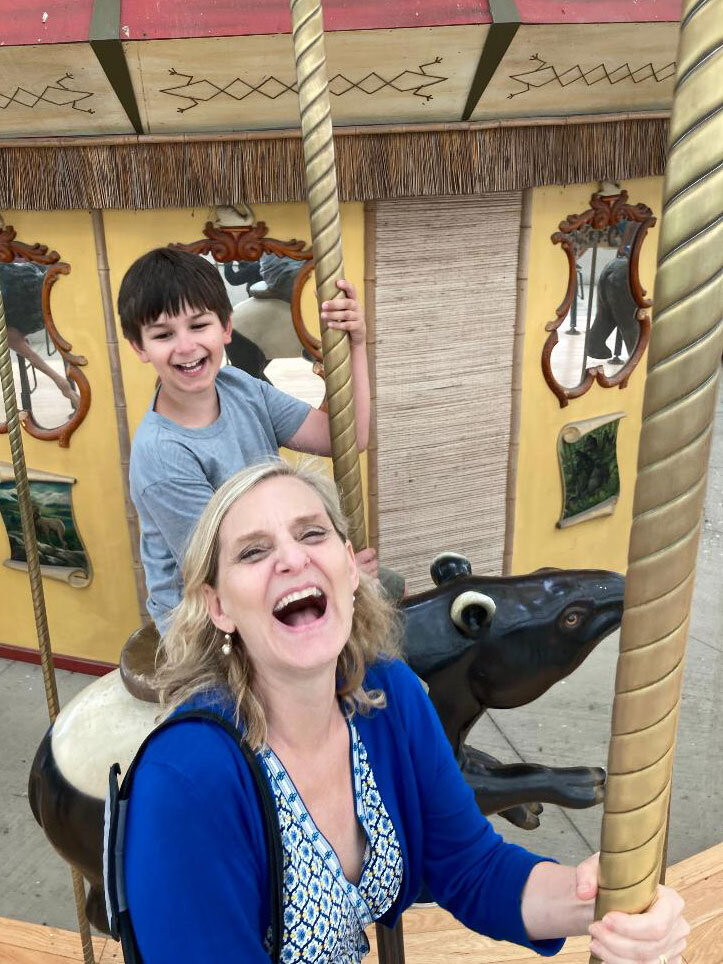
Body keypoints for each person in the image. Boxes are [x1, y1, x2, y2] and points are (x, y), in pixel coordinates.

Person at [123, 459, 689, 963]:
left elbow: (471, 868)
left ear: (349, 567)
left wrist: (597, 900)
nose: (292, 559)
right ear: (218, 605)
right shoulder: (188, 778)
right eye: (253, 551)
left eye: (311, 534)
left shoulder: (386, 696)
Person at [119, 248, 386, 631]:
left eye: (198, 326)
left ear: (226, 328)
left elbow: (342, 436)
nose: (186, 346)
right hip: (207, 613)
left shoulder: (240, 388)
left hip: (268, 569)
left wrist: (354, 346)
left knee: (387, 591)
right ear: (140, 348)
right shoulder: (162, 456)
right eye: (163, 335)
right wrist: (330, 574)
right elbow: (220, 568)